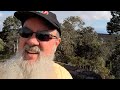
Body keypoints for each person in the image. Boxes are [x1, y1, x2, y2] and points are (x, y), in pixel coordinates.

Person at [0, 11, 73, 79]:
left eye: (43, 36)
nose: (31, 41)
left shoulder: (62, 76)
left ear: (56, 43)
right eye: (25, 32)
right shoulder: (2, 72)